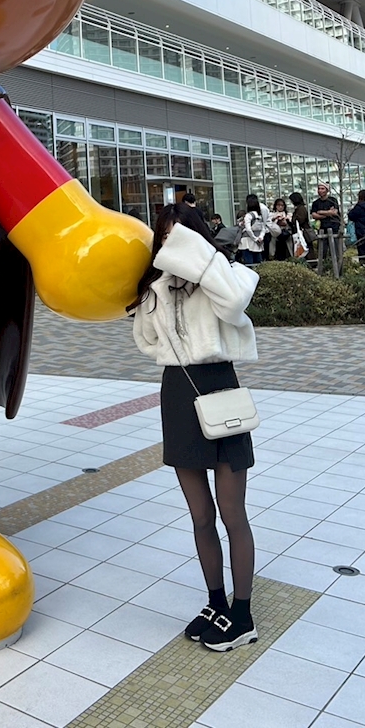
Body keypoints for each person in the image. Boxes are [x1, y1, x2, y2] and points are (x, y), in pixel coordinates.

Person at [129, 203, 258, 651]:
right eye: (164, 236)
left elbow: (236, 304)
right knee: (200, 514)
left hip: (220, 388)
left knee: (232, 512)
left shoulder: (226, 274)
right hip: (179, 393)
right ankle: (216, 602)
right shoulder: (156, 288)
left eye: (180, 234)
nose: (171, 243)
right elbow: (145, 339)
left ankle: (243, 614)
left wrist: (201, 262)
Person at [311, 183, 342, 271]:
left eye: (322, 189)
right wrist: (328, 213)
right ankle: (323, 268)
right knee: (322, 250)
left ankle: (337, 269)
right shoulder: (316, 203)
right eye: (319, 189)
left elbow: (335, 212)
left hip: (334, 227)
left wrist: (320, 212)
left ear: (327, 190)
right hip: (322, 228)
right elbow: (314, 215)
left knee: (335, 250)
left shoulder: (333, 200)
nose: (320, 190)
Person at [237, 196, 265, 265]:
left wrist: (255, 239)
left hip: (247, 241)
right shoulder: (260, 215)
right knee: (258, 262)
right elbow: (263, 228)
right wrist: (260, 237)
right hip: (258, 241)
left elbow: (248, 229)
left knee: (249, 263)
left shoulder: (248, 215)